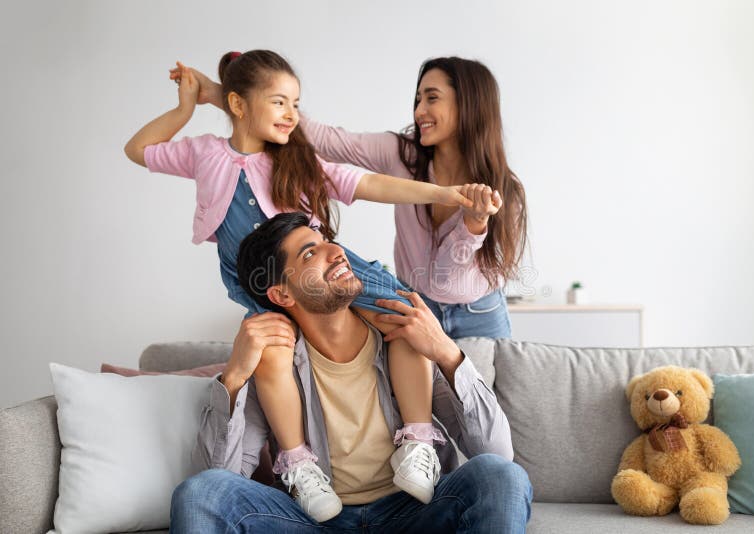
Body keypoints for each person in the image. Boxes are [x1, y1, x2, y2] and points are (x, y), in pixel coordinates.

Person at [124, 50, 495, 522]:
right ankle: (300, 465)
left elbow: (373, 185)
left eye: (295, 104)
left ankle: (418, 440)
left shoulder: (299, 162)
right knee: (273, 353)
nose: (292, 115)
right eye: (280, 103)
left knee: (405, 312)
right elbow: (138, 151)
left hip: (320, 275)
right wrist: (186, 107)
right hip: (262, 286)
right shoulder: (204, 154)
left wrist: (444, 194)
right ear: (238, 106)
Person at [170, 212, 533, 533]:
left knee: (502, 477)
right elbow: (219, 477)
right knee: (200, 493)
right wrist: (233, 377)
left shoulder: (402, 339)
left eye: (327, 242)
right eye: (310, 253)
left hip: (415, 512)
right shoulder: (273, 363)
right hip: (311, 520)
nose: (336, 252)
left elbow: (496, 452)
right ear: (281, 295)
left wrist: (447, 351)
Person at [176, 56, 527, 340]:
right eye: (418, 99)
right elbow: (325, 139)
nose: (419, 110)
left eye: (432, 98)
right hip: (413, 302)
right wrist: (235, 98)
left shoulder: (504, 193)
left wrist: (474, 225)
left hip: (480, 314)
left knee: (481, 407)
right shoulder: (400, 154)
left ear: (469, 105)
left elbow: (449, 280)